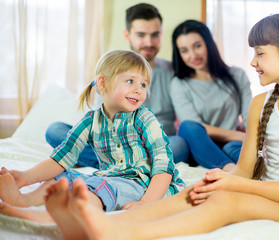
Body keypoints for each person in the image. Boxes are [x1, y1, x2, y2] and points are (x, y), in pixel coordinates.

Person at [0, 11, 279, 239]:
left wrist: (231, 187)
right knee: (197, 193)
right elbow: (246, 170)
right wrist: (225, 179)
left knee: (223, 201)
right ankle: (56, 218)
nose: (252, 61)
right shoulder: (260, 104)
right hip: (266, 192)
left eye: (260, 53)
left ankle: (117, 233)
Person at [0, 50, 185, 216]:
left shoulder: (145, 118)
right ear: (103, 83)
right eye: (130, 81)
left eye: (144, 84)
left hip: (144, 185)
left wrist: (146, 203)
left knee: (96, 188)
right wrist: (26, 176)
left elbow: (164, 165)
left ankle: (77, 215)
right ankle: (25, 201)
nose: (138, 89)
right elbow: (61, 157)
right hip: (109, 178)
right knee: (63, 177)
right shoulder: (91, 120)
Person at [45, 3, 188, 169]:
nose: (148, 42)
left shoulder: (173, 72)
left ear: (161, 34)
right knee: (54, 130)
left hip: (155, 145)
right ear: (127, 35)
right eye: (141, 35)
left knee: (180, 144)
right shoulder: (112, 70)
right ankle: (128, 165)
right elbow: (102, 120)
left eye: (155, 35)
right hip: (113, 145)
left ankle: (115, 165)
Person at [170, 20, 252, 172]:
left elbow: (249, 117)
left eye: (197, 46)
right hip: (200, 145)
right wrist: (240, 135)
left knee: (234, 149)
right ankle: (230, 169)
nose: (193, 55)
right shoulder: (179, 84)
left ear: (209, 43)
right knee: (187, 126)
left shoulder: (237, 75)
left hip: (231, 144)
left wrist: (252, 138)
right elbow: (196, 127)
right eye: (184, 50)